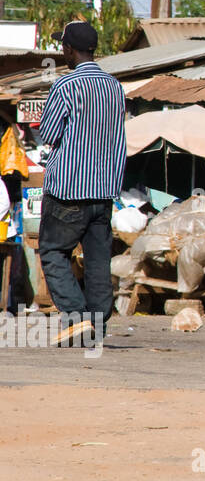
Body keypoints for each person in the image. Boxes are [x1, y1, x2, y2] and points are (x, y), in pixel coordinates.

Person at [37, 21, 126, 347]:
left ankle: (76, 317)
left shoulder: (65, 86)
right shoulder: (115, 87)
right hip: (103, 190)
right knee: (99, 262)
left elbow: (48, 134)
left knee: (52, 251)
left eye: (63, 46)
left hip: (68, 192)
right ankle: (96, 329)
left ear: (70, 50)